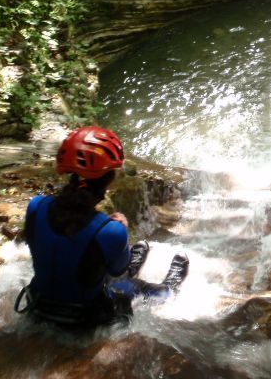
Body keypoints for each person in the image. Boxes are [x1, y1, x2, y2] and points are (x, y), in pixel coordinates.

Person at [14, 126, 189, 328]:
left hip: (38, 307)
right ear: (108, 179)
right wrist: (121, 229)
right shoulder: (111, 231)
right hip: (83, 318)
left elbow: (61, 244)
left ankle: (136, 263)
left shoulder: (35, 206)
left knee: (91, 260)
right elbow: (117, 270)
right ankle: (171, 286)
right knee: (136, 286)